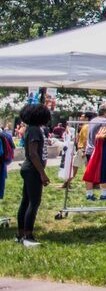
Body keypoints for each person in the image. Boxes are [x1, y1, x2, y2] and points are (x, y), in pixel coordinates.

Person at [17, 102, 52, 247]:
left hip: (28, 169)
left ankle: (20, 234)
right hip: (32, 169)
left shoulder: (30, 129)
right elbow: (33, 154)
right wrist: (42, 174)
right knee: (34, 202)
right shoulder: (35, 131)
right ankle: (28, 236)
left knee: (26, 201)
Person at [84, 104, 106, 200]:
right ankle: (104, 193)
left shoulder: (93, 120)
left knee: (89, 172)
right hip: (100, 150)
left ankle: (89, 194)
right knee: (103, 171)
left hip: (89, 149)